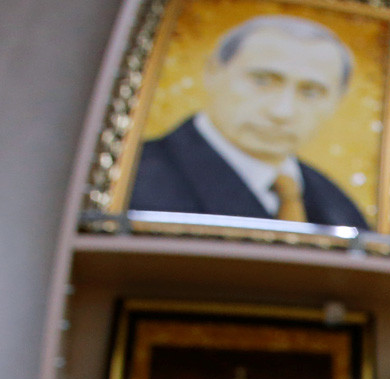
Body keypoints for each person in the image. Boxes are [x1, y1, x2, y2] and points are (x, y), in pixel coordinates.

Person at [130, 15, 367, 228]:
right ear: (212, 72)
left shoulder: (340, 207)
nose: (281, 112)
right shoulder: (132, 179)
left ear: (338, 100)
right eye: (262, 80)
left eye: (311, 92)